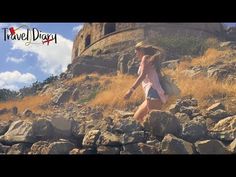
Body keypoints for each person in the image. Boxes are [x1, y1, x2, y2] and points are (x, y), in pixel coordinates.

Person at [124, 41, 168, 123]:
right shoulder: (151, 59)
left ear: (140, 51)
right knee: (137, 119)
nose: (136, 55)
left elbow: (143, 75)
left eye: (136, 52)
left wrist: (131, 90)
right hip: (152, 94)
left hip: (153, 93)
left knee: (154, 123)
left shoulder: (145, 58)